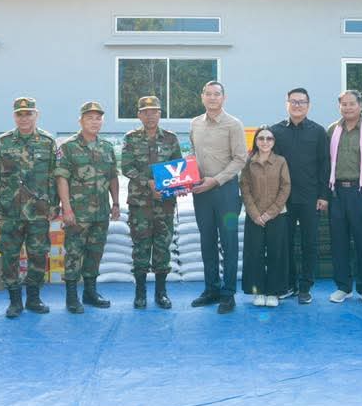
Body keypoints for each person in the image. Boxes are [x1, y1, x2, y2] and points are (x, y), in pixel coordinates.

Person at [0, 97, 60, 318]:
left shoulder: (48, 142)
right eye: (20, 114)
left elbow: (55, 176)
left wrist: (54, 204)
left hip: (39, 210)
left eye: (28, 113)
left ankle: (34, 299)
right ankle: (15, 301)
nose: (24, 118)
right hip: (11, 211)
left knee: (38, 254)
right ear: (14, 116)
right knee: (9, 256)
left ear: (36, 115)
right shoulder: (4, 142)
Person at [55, 102, 122, 313]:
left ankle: (90, 293)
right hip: (78, 213)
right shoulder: (68, 147)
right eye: (90, 118)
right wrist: (66, 209)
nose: (94, 122)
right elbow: (61, 179)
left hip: (101, 212)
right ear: (81, 121)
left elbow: (112, 177)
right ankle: (72, 297)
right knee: (74, 253)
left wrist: (116, 203)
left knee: (95, 252)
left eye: (98, 118)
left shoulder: (107, 147)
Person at [188, 81, 247, 314]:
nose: (212, 98)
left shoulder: (233, 124)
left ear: (224, 98)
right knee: (207, 241)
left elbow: (240, 158)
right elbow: (193, 154)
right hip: (202, 191)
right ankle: (211, 289)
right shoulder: (195, 123)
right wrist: (188, 177)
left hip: (226, 191)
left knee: (229, 242)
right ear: (202, 97)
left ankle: (228, 293)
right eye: (208, 94)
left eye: (217, 94)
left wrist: (217, 180)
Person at [120, 95, 182, 309]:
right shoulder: (131, 138)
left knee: (163, 247)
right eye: (145, 112)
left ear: (160, 114)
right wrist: (148, 183)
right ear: (139, 115)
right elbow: (126, 167)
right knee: (141, 247)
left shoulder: (171, 138)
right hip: (140, 204)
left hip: (165, 203)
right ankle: (140, 293)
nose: (150, 116)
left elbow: (178, 168)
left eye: (154, 111)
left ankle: (161, 293)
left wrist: (170, 188)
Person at [270, 87, 330, 304]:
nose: (297, 105)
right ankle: (289, 284)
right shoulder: (275, 131)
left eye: (301, 102)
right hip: (282, 198)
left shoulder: (318, 132)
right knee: (284, 243)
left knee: (309, 243)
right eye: (293, 101)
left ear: (308, 105)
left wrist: (323, 195)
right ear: (287, 104)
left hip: (310, 197)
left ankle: (305, 287)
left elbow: (325, 165)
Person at [326, 90, 362, 304]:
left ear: (360, 105)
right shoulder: (333, 129)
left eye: (352, 104)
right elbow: (326, 163)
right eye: (344, 104)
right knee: (338, 242)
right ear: (339, 106)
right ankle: (343, 287)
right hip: (336, 193)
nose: (348, 108)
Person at [240, 127, 291, 307]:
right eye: (261, 138)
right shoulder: (248, 162)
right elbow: (244, 188)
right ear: (256, 141)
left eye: (269, 138)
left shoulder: (281, 161)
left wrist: (271, 213)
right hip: (254, 216)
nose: (265, 141)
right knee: (255, 253)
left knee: (277, 253)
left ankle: (274, 292)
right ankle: (258, 291)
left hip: (277, 215)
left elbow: (285, 187)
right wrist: (255, 214)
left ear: (274, 142)